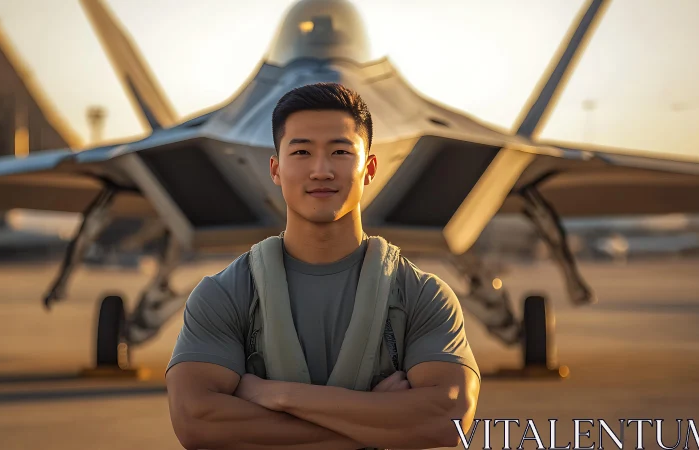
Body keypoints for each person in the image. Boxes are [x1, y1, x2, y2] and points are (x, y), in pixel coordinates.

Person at [165, 82, 480, 450]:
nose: (321, 170)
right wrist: (378, 417)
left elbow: (447, 419)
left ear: (370, 167)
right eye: (300, 151)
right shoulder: (224, 295)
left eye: (340, 151)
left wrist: (278, 396)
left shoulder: (423, 296)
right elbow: (196, 422)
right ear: (276, 168)